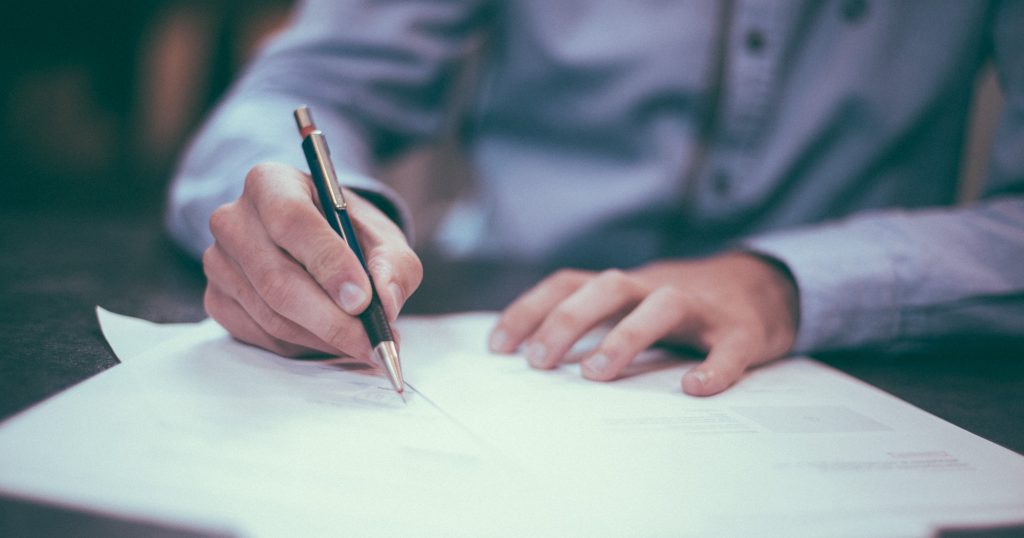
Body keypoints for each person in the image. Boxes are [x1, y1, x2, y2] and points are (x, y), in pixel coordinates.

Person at [166, 0, 1024, 396]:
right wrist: (309, 219)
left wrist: (786, 280)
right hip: (505, 332)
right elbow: (305, 85)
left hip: (868, 363)